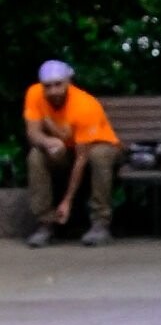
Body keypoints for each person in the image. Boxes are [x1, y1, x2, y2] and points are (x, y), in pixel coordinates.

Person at [22, 58, 122, 247]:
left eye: (58, 85)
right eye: (47, 86)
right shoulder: (34, 93)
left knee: (99, 155)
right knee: (36, 156)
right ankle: (45, 223)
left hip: (97, 147)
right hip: (67, 150)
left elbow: (81, 159)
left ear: (69, 82)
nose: (53, 91)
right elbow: (33, 132)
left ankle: (100, 223)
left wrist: (67, 201)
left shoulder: (85, 105)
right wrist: (48, 141)